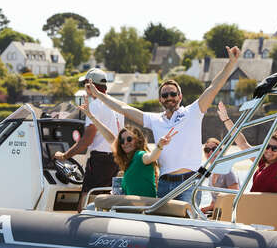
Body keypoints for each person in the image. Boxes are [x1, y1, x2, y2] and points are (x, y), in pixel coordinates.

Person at [83, 46, 241, 204]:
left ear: (180, 96)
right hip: (165, 184)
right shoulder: (155, 119)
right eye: (165, 95)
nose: (169, 97)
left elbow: (213, 88)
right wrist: (99, 95)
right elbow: (124, 108)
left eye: (173, 94)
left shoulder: (193, 112)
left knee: (186, 224)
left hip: (189, 183)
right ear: (160, 99)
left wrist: (231, 64)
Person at [77, 95, 177, 197]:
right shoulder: (128, 161)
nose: (125, 142)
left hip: (143, 207)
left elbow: (151, 157)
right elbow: (110, 138)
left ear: (138, 141)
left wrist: (160, 145)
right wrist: (91, 117)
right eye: (122, 140)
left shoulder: (140, 155)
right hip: (132, 208)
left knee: (96, 203)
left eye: (129, 139)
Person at [53, 68, 124, 212]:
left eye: (85, 85)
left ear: (90, 84)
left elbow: (86, 141)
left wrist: (64, 156)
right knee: (105, 200)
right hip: (116, 159)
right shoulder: (116, 105)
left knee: (86, 201)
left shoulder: (95, 106)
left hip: (100, 161)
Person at [200, 137, 239, 213]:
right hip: (218, 211)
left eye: (214, 149)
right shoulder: (210, 173)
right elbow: (215, 199)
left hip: (229, 212)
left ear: (221, 151)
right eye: (207, 150)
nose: (211, 152)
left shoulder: (227, 171)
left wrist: (207, 208)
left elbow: (234, 197)